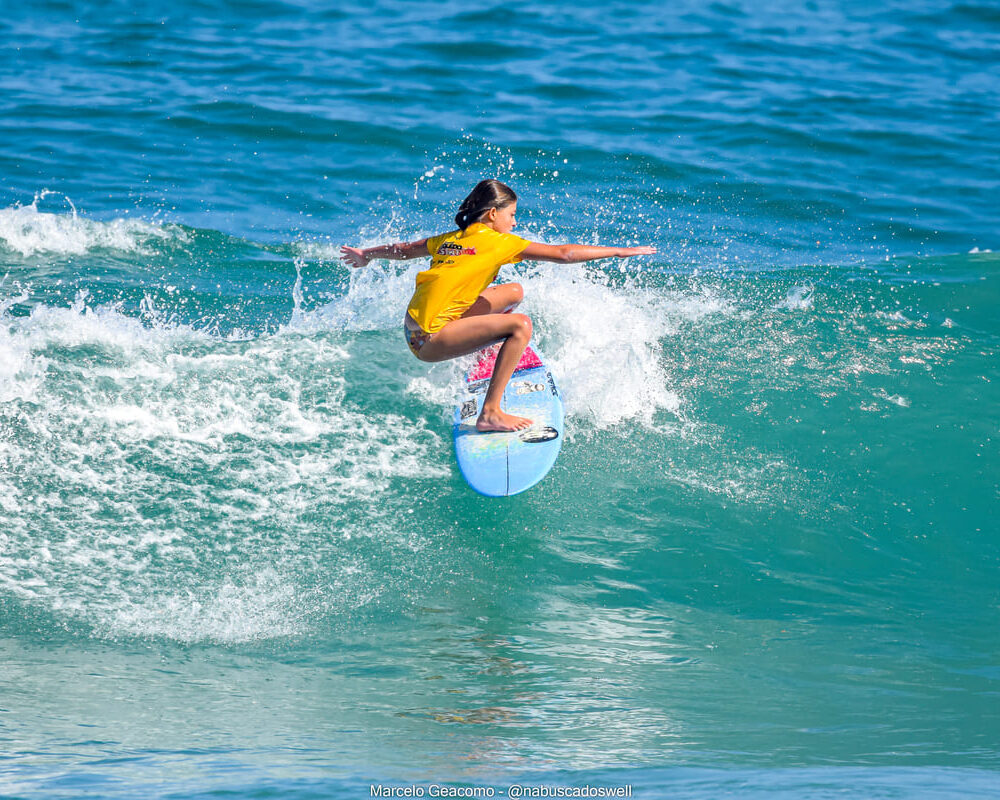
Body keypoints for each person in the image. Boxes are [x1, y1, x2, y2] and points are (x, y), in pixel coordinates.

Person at [340, 179, 656, 433]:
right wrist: (618, 251)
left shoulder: (453, 238)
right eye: (512, 215)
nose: (514, 222)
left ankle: (484, 343)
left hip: (414, 327)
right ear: (493, 213)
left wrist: (367, 254)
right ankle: (490, 413)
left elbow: (404, 249)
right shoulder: (500, 242)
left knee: (513, 292)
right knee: (520, 325)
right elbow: (564, 254)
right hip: (429, 340)